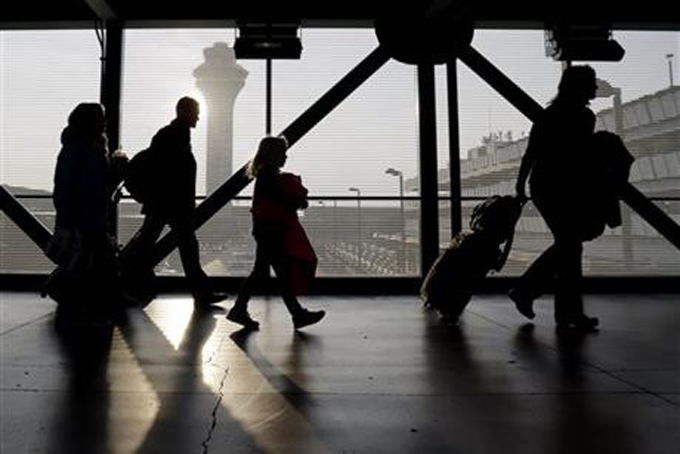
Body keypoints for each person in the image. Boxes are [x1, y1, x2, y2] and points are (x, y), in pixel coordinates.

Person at [510, 65, 601, 334]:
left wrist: (520, 184)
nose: (595, 88)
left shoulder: (550, 115)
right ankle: (539, 297)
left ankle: (562, 311)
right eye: (592, 83)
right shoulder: (585, 117)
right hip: (565, 188)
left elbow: (531, 153)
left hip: (545, 186)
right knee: (570, 247)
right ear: (581, 87)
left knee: (569, 248)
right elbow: (581, 158)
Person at [122, 96, 226, 309]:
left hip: (164, 204)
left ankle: (128, 284)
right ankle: (201, 293)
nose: (198, 116)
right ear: (185, 112)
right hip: (171, 204)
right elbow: (172, 175)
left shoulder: (171, 135)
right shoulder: (173, 137)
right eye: (196, 112)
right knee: (184, 248)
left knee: (150, 244)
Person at [226, 136, 325, 330]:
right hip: (271, 231)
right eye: (282, 153)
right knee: (277, 273)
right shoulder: (268, 176)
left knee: (268, 272)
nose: (285, 156)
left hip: (266, 230)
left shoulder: (265, 175)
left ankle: (242, 309)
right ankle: (295, 314)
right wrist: (299, 201)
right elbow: (281, 199)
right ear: (272, 154)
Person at [47, 102, 128, 326]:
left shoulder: (78, 147)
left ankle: (83, 299)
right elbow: (79, 185)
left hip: (88, 214)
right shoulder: (87, 148)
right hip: (86, 216)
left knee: (93, 259)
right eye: (101, 117)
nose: (105, 121)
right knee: (98, 259)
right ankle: (98, 301)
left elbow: (68, 185)